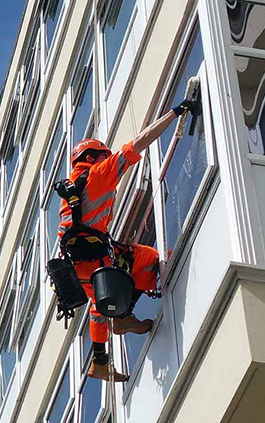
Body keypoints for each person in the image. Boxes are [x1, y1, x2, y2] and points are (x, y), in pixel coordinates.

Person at [59, 99, 195, 382]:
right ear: (95, 157)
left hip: (75, 263)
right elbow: (140, 142)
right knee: (147, 258)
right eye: (103, 155)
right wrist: (175, 112)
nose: (107, 160)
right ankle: (122, 318)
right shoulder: (98, 174)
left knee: (99, 304)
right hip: (95, 254)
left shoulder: (72, 185)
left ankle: (100, 358)